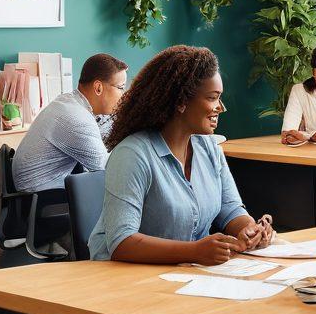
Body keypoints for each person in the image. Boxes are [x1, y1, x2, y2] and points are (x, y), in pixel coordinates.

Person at [88, 45, 275, 264]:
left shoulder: (209, 148)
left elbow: (229, 208)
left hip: (184, 273)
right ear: (181, 102)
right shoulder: (132, 155)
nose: (220, 107)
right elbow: (122, 243)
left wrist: (248, 228)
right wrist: (194, 251)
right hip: (120, 279)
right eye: (213, 98)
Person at [11, 53, 129, 193]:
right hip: (42, 198)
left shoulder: (68, 101)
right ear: (98, 87)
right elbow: (107, 168)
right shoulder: (77, 118)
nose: (123, 95)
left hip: (36, 191)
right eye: (121, 88)